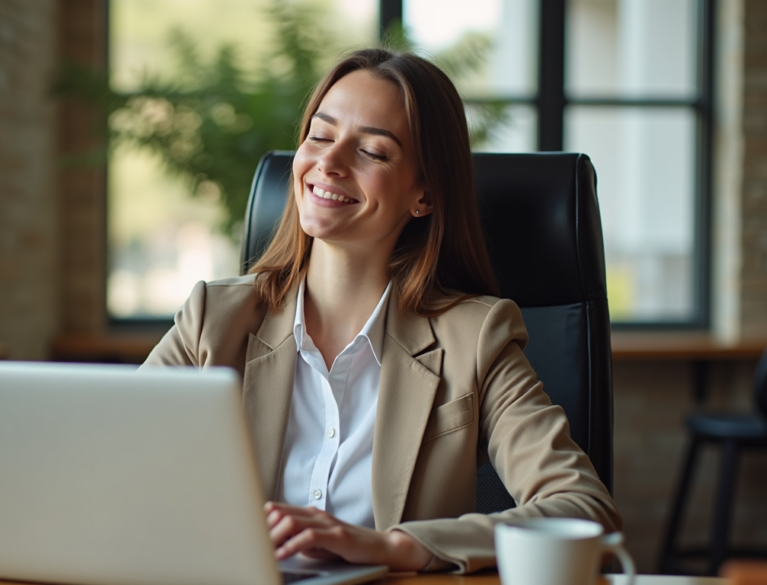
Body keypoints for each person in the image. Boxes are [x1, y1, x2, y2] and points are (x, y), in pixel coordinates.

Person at [141, 47, 622, 573]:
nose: (328, 161)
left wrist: (391, 547)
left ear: (425, 194)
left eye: (371, 151)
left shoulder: (474, 339)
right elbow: (108, 463)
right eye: (320, 136)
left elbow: (584, 509)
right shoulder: (214, 318)